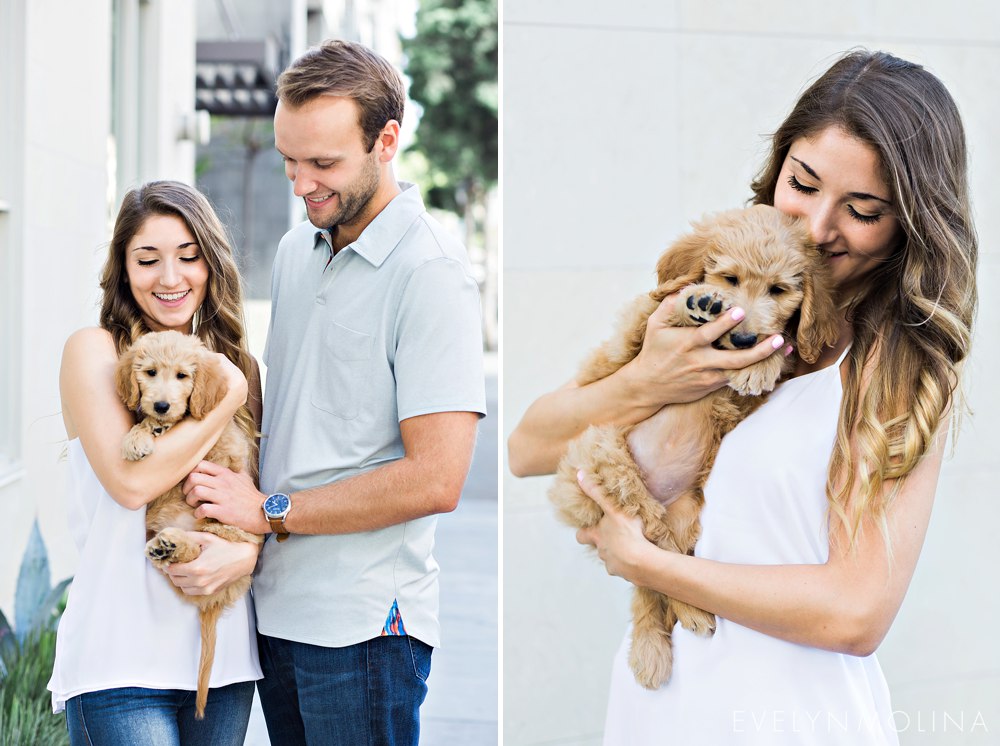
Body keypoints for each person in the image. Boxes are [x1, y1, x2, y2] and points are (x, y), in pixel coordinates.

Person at [508, 49, 976, 744]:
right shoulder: (716, 293)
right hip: (661, 706)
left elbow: (856, 615)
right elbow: (526, 448)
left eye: (863, 210)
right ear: (778, 162)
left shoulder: (895, 360)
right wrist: (651, 380)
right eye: (803, 183)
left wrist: (650, 566)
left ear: (909, 221)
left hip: (792, 716)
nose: (818, 227)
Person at [180, 39, 487, 744]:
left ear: (386, 141)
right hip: (274, 612)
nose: (301, 184)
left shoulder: (431, 275)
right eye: (290, 160)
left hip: (364, 627)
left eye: (323, 164)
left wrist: (271, 511)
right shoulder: (296, 250)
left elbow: (437, 478)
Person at [48, 181, 264, 745]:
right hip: (118, 664)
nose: (171, 278)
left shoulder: (234, 367)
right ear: (122, 269)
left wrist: (245, 552)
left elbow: (255, 502)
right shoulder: (95, 353)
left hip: (222, 664)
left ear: (211, 265)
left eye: (189, 257)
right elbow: (131, 481)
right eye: (148, 260)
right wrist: (228, 397)